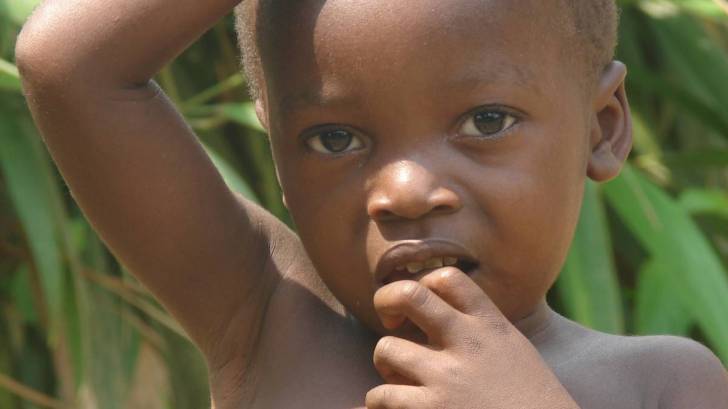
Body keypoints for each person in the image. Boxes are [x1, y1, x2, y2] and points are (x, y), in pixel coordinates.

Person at [14, 0, 728, 408]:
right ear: (277, 159)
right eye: (333, 138)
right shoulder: (271, 317)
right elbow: (69, 68)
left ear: (602, 127)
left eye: (485, 122)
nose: (404, 192)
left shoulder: (663, 385)